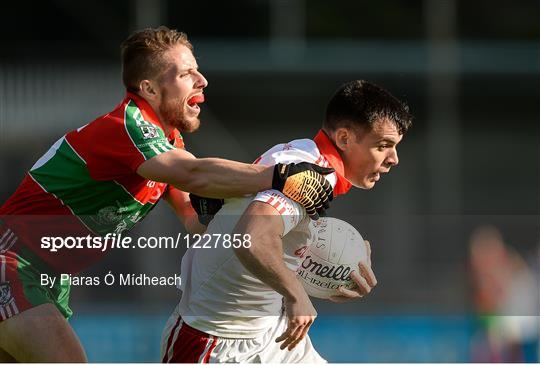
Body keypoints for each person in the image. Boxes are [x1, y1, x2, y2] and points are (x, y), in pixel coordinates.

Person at [0, 27, 334, 362]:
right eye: (187, 73)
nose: (202, 80)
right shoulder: (128, 127)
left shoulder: (168, 140)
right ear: (149, 88)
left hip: (47, 279)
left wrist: (301, 253)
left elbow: (195, 218)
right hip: (12, 264)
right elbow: (195, 174)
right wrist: (279, 176)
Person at [161, 80, 413, 363]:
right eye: (383, 146)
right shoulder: (313, 176)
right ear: (344, 139)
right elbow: (252, 239)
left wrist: (333, 274)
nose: (394, 159)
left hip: (271, 333)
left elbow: (261, 237)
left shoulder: (301, 152)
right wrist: (296, 295)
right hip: (218, 341)